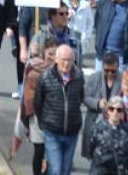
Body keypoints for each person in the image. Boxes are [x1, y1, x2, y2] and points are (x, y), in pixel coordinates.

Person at [35, 44, 86, 175]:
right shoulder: (45, 77)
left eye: (69, 60)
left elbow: (80, 98)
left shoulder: (79, 77)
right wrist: (43, 123)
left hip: (72, 132)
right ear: (56, 60)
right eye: (63, 59)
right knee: (56, 170)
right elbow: (38, 102)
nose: (66, 63)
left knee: (65, 170)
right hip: (52, 131)